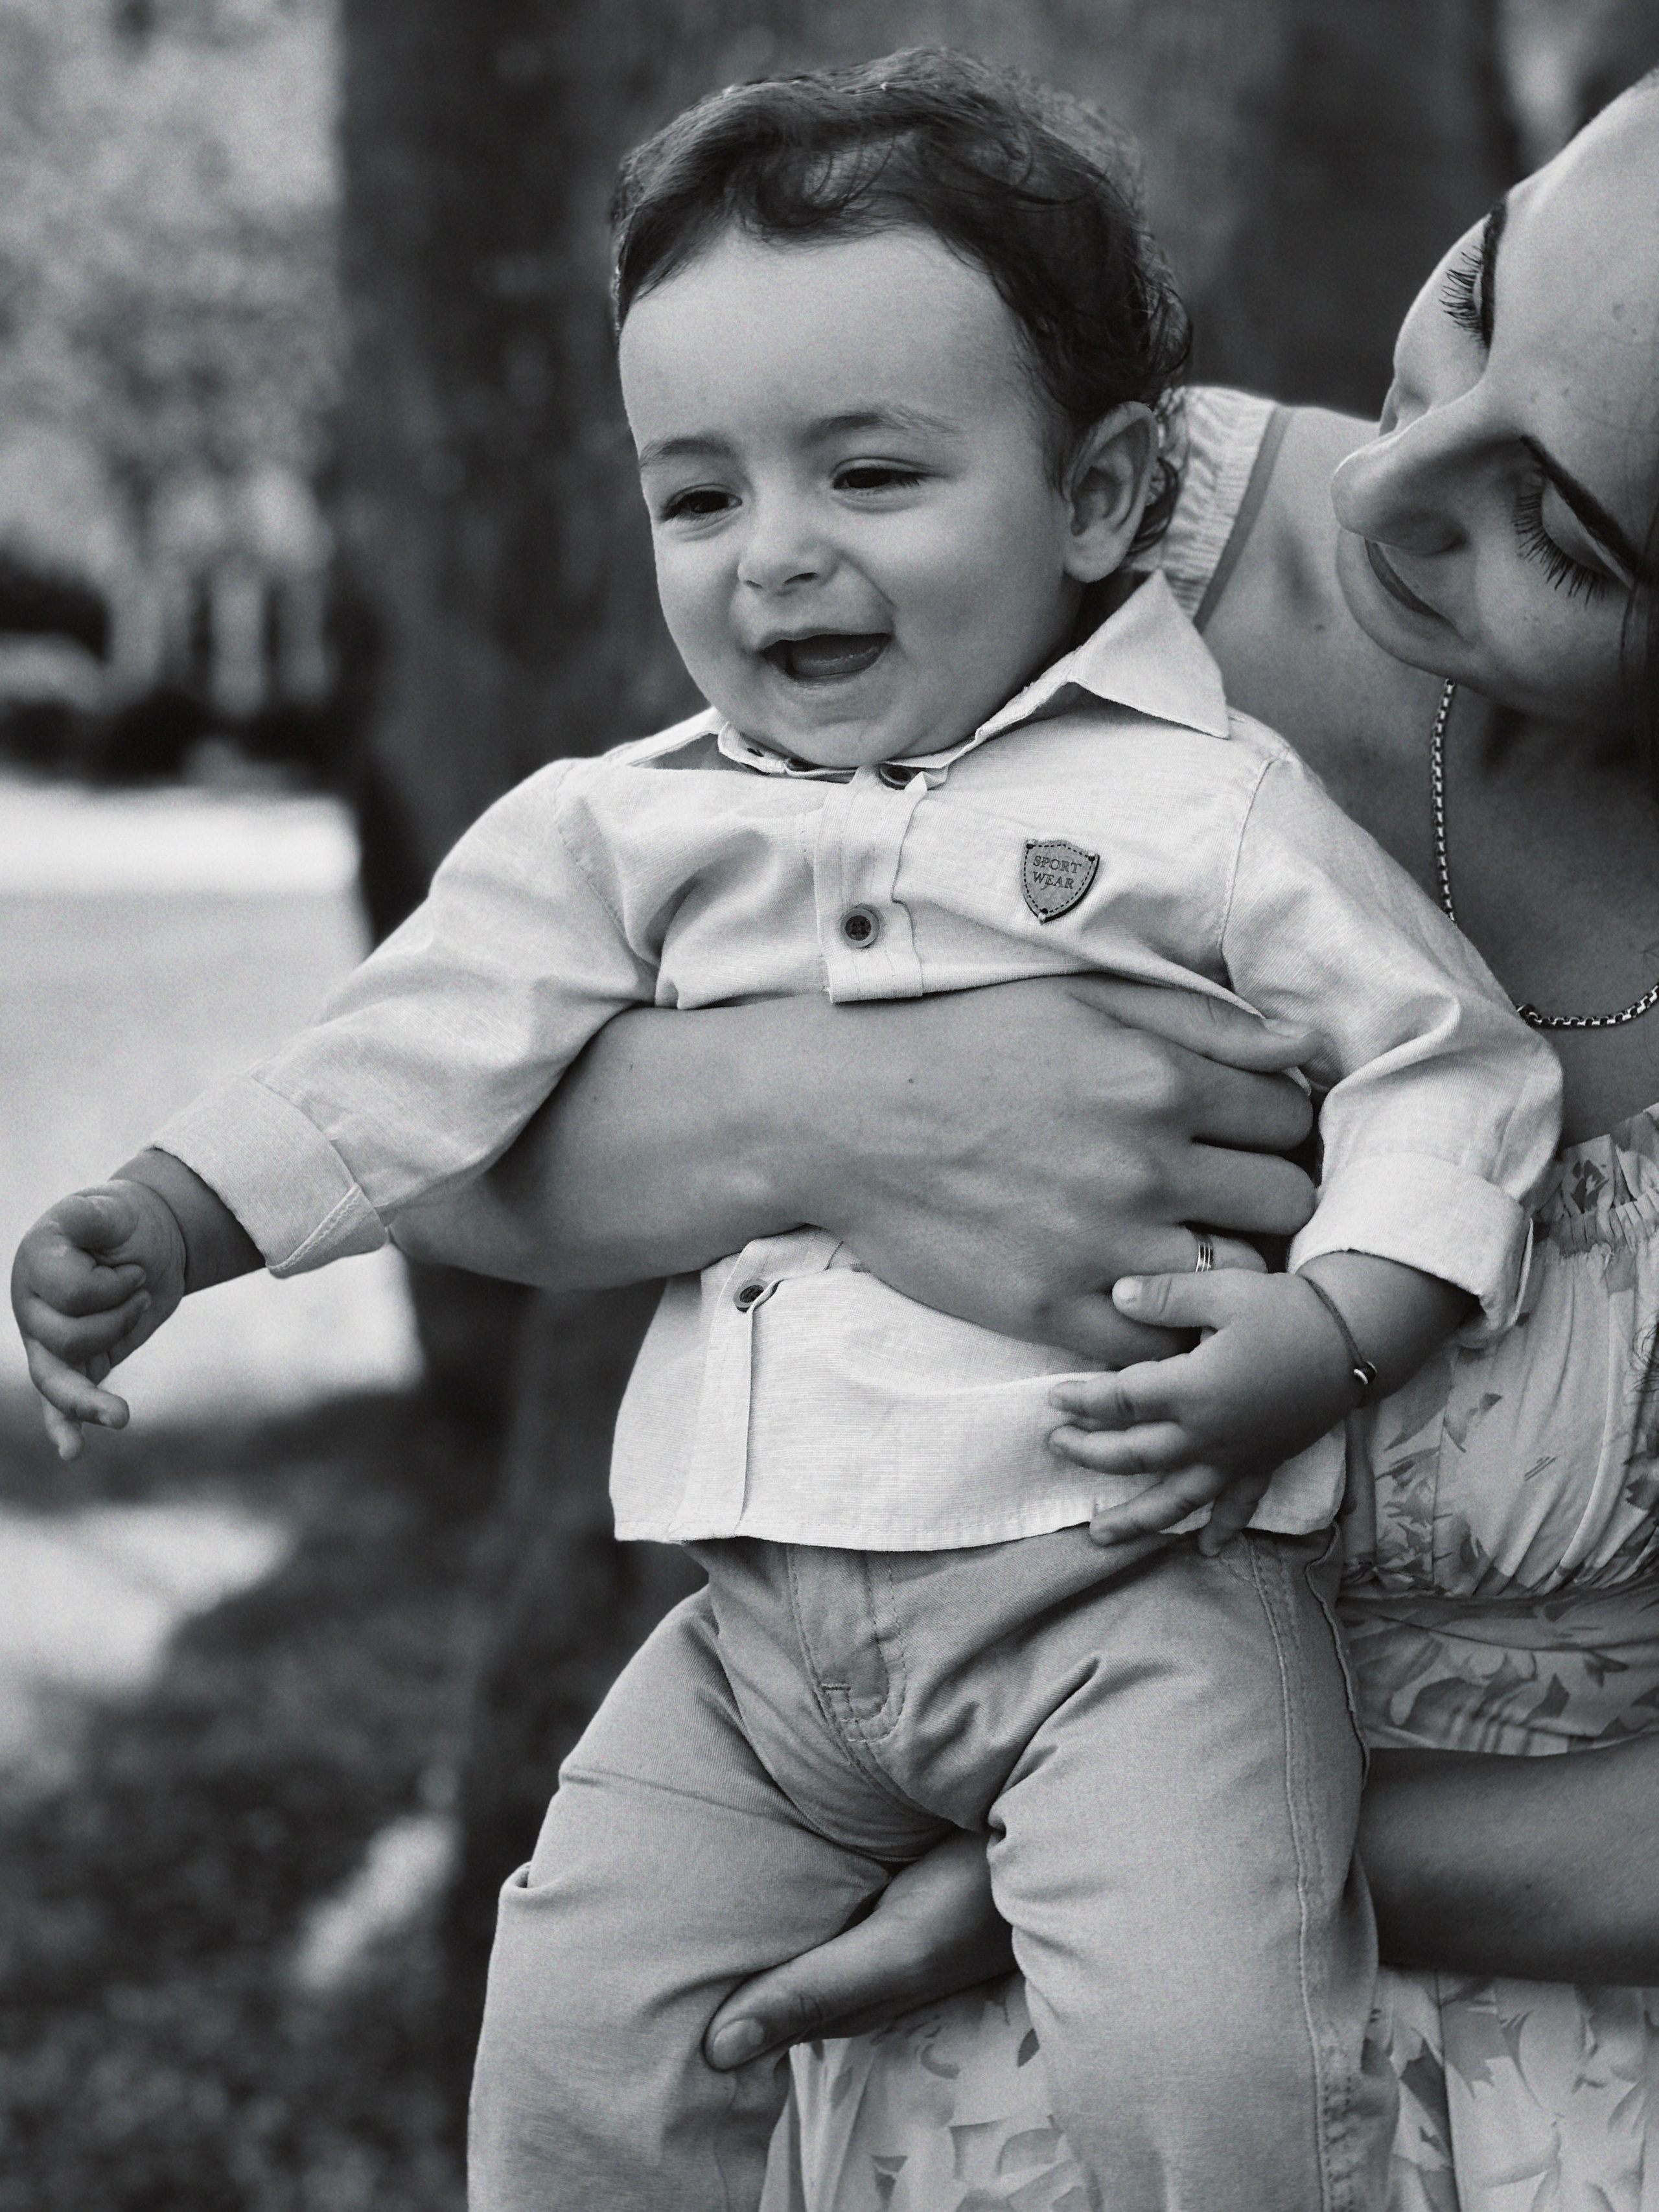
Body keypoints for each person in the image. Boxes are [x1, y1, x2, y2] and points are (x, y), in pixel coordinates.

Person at [6, 49, 1564, 2212]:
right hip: (757, 1645)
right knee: (571, 2031)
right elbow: (412, 1053)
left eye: (870, 475)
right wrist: (176, 1217)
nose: (776, 562)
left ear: (1100, 499)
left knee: (1216, 2064)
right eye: (700, 495)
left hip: (1132, 1611)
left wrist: (1333, 1338)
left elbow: (1455, 1069)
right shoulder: (622, 830)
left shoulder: (1201, 812)